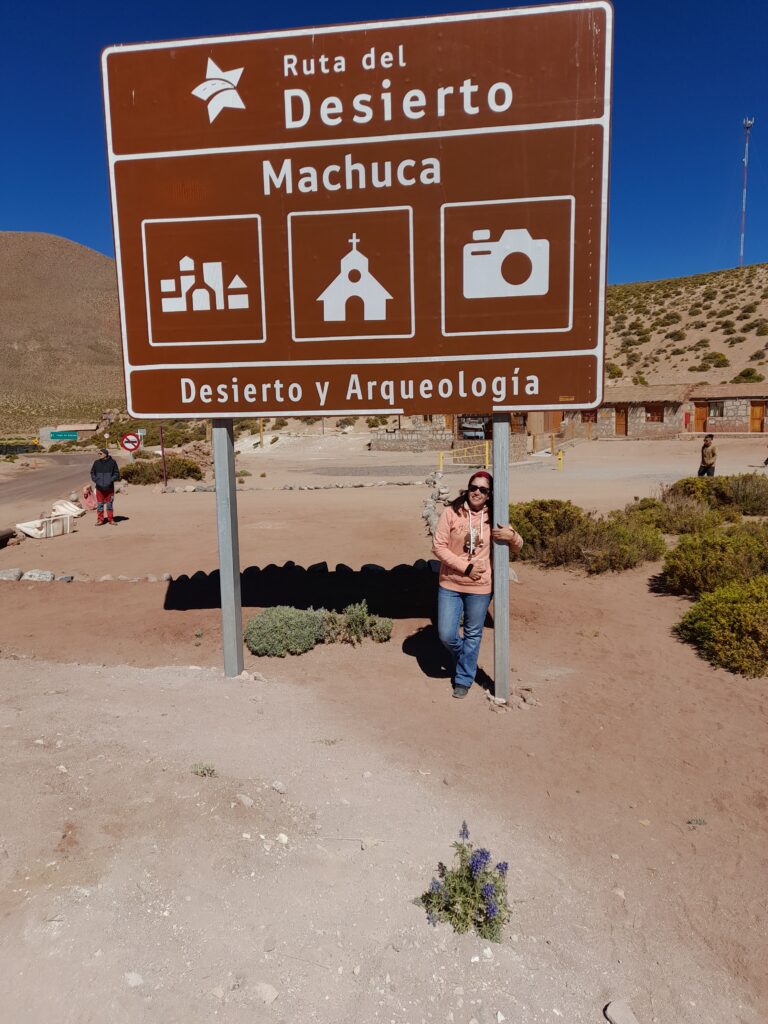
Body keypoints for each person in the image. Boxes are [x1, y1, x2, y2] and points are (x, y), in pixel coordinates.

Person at [432, 471, 523, 699]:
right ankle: (466, 659)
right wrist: (466, 568)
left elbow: (519, 546)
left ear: (489, 494)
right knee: (446, 633)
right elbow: (438, 547)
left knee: (473, 634)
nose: (477, 492)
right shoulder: (451, 512)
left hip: (480, 588)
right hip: (450, 583)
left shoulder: (494, 515)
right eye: (474, 487)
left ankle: (463, 679)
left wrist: (511, 536)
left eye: (483, 490)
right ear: (468, 488)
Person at [90, 447, 121, 525]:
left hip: (109, 488)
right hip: (99, 488)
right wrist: (96, 480)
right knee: (100, 505)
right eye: (98, 453)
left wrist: (110, 480)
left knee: (109, 504)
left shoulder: (113, 462)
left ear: (105, 454)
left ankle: (111, 519)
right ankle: (100, 520)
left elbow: (117, 473)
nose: (99, 455)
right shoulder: (96, 462)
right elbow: (92, 472)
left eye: (100, 453)